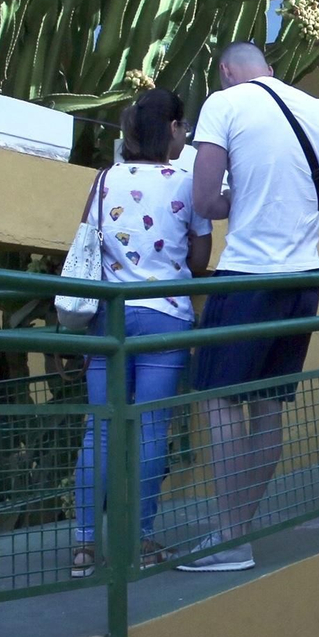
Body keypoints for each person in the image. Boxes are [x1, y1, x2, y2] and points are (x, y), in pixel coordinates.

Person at [181, 41, 319, 572]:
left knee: (219, 400)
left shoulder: (226, 104)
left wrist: (249, 197)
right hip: (304, 276)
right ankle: (239, 530)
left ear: (225, 71)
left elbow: (204, 201)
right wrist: (297, 199)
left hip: (246, 276)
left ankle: (229, 540)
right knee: (268, 404)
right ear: (268, 65)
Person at [68, 89, 213, 579]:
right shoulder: (188, 183)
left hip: (108, 317)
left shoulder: (105, 179)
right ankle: (141, 540)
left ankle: (86, 545)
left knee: (101, 429)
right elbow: (198, 261)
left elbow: (88, 239)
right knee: (152, 430)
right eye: (183, 127)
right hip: (166, 317)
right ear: (172, 129)